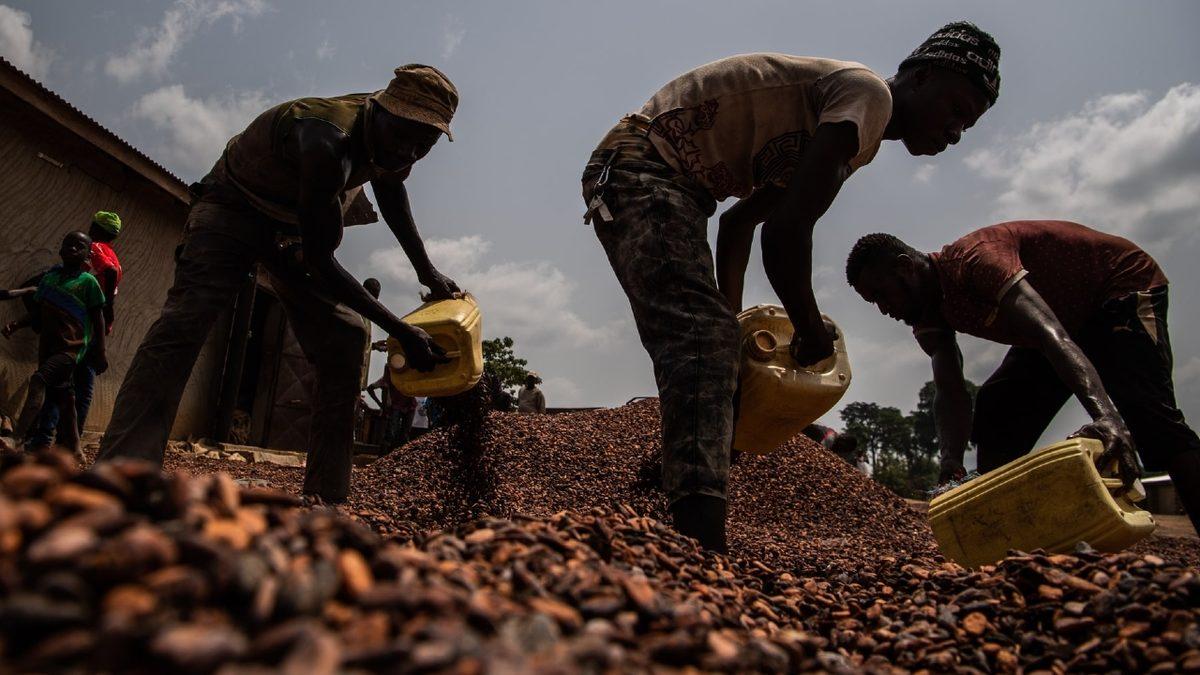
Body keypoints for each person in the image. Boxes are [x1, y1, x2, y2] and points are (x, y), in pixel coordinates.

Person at [581, 22, 1000, 550]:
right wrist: (807, 328)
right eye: (957, 110)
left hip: (672, 184)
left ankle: (667, 494)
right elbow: (784, 236)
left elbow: (739, 227)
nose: (956, 132)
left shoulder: (849, 137)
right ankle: (699, 551)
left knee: (712, 344)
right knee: (700, 341)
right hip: (641, 166)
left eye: (968, 125)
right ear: (921, 77)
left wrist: (728, 337)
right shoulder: (866, 95)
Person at [97, 64, 462, 504]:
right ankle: (124, 474)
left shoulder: (398, 143)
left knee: (345, 337)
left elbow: (391, 193)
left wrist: (427, 272)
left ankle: (327, 497)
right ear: (382, 109)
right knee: (184, 326)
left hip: (287, 228)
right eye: (404, 135)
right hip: (232, 209)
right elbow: (323, 262)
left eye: (422, 146)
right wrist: (401, 331)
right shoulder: (328, 140)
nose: (408, 152)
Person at [846, 221, 1200, 534]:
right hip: (1053, 325)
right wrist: (950, 459)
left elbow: (1051, 334)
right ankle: (1001, 533)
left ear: (906, 268)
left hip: (1114, 289)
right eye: (872, 302)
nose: (883, 309)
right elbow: (949, 388)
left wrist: (1105, 415)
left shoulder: (976, 260)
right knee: (997, 409)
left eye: (881, 294)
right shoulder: (926, 314)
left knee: (1151, 417)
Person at [1, 232, 108, 459]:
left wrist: (100, 350)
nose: (71, 249)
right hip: (48, 347)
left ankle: (18, 437)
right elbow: (38, 311)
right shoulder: (50, 278)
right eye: (67, 244)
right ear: (60, 250)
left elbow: (98, 318)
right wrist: (17, 324)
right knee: (65, 397)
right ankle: (77, 450)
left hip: (71, 348)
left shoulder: (88, 282)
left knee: (39, 380)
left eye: (78, 246)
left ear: (87, 255)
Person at [26, 211, 124, 447]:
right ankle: (67, 441)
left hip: (80, 329)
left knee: (61, 384)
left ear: (94, 229)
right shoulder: (111, 253)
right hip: (88, 328)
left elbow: (108, 272)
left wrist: (107, 304)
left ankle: (47, 438)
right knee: (75, 387)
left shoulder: (96, 249)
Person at [366, 372, 417, 452]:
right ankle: (388, 454)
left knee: (404, 433)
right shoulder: (387, 378)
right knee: (392, 433)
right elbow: (370, 388)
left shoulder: (409, 375)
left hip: (409, 406)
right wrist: (380, 404)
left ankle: (400, 454)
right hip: (395, 406)